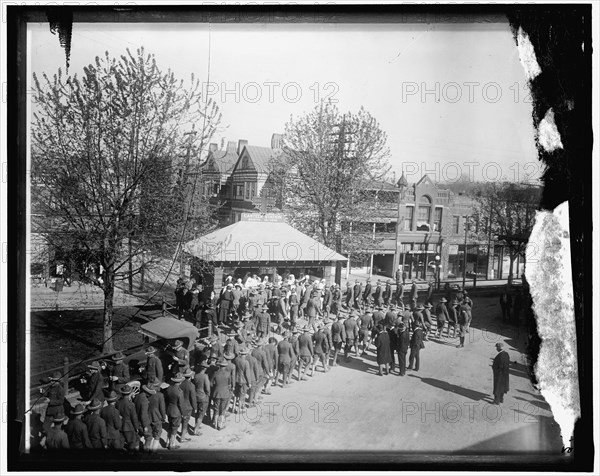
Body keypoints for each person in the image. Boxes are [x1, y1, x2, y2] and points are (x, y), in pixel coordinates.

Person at [117, 384, 140, 452]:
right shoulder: (131, 405)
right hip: (129, 426)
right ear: (130, 393)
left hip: (121, 425)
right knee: (132, 442)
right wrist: (136, 427)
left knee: (121, 442)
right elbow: (134, 417)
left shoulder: (118, 403)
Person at [210, 359, 232, 431]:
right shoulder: (228, 373)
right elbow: (229, 384)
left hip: (217, 392)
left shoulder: (215, 373)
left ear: (219, 365)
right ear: (225, 366)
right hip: (225, 393)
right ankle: (220, 425)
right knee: (222, 409)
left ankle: (215, 423)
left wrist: (215, 386)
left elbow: (211, 383)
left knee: (216, 408)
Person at [165, 372, 185, 450]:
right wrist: (183, 413)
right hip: (177, 412)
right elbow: (181, 404)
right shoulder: (180, 391)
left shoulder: (168, 388)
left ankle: (167, 442)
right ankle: (172, 444)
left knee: (170, 426)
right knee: (175, 428)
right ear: (180, 382)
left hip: (169, 410)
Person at [134, 382, 154, 452]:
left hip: (136, 421)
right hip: (142, 422)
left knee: (138, 436)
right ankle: (145, 452)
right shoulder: (145, 401)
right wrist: (145, 426)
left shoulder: (137, 396)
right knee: (149, 437)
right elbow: (144, 415)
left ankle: (136, 451)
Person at [147, 379, 166, 452]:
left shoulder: (146, 394)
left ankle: (148, 448)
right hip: (156, 417)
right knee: (157, 433)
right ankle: (154, 450)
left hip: (148, 416)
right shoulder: (160, 395)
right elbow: (162, 408)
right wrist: (163, 417)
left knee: (150, 433)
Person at [232, 348, 251, 413]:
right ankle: (238, 409)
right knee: (241, 395)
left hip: (236, 379)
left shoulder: (236, 359)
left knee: (235, 394)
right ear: (245, 354)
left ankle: (233, 407)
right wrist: (249, 383)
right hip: (243, 380)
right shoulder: (246, 362)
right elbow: (247, 374)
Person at [193, 362, 211, 434]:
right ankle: (196, 430)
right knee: (201, 413)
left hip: (196, 395)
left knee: (197, 412)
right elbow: (207, 388)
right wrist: (208, 395)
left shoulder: (196, 375)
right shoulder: (205, 376)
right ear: (205, 368)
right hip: (203, 397)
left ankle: (196, 425)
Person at [180, 368, 197, 442]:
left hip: (180, 404)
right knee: (186, 421)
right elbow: (193, 398)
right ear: (190, 376)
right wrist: (195, 407)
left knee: (182, 420)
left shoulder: (181, 383)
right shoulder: (191, 385)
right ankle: (182, 438)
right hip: (188, 406)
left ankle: (183, 432)